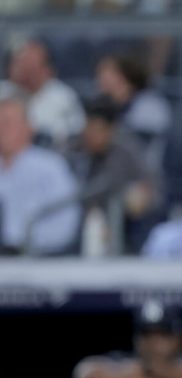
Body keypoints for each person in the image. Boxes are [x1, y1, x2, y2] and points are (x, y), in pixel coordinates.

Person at [0, 97, 80, 255]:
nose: (2, 129)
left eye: (8, 123)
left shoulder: (51, 167)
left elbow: (66, 224)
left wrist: (19, 242)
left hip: (38, 260)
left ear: (30, 127)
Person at [66, 97, 154, 234]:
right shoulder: (72, 148)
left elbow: (150, 188)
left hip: (119, 223)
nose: (91, 136)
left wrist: (139, 196)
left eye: (98, 130)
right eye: (89, 128)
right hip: (75, 219)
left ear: (112, 130)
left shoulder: (127, 152)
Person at [95, 54, 172, 179]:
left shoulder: (150, 104)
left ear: (123, 78)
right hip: (112, 173)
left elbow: (138, 146)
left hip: (144, 177)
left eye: (106, 76)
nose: (100, 82)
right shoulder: (105, 107)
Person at [0, 38, 84, 149]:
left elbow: (76, 135)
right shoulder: (4, 91)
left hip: (50, 155)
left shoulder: (64, 97)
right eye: (21, 64)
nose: (25, 70)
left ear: (46, 70)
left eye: (31, 66)